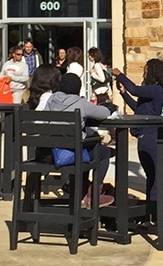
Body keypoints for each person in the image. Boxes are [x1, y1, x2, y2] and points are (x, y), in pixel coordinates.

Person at [44, 72, 117, 208]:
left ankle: (82, 195)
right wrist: (110, 108)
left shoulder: (52, 99)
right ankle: (94, 195)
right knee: (103, 153)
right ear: (78, 88)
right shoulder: (81, 103)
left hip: (50, 152)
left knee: (86, 149)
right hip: (70, 154)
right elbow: (103, 113)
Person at [113, 58, 163, 201]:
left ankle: (155, 210)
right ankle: (152, 210)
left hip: (151, 137)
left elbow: (135, 89)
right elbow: (138, 109)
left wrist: (119, 75)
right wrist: (123, 93)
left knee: (155, 176)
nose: (143, 75)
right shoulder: (153, 91)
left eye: (146, 71)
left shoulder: (156, 89)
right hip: (144, 136)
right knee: (151, 176)